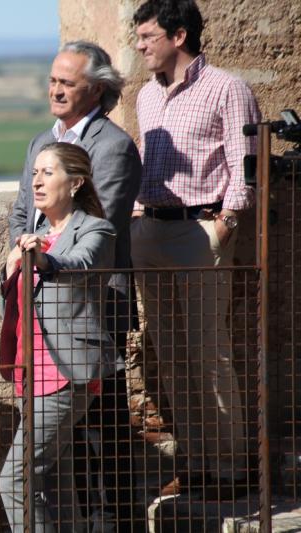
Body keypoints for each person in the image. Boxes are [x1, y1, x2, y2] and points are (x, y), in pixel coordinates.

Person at [9, 40, 142, 530]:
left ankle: (118, 519)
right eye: (52, 80)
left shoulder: (113, 146)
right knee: (63, 448)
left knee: (104, 427)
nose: (56, 89)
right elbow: (23, 213)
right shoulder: (40, 141)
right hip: (41, 304)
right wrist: (22, 251)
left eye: (67, 82)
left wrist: (40, 253)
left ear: (98, 88)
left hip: (96, 300)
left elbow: (93, 222)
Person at [131, 0, 260, 498]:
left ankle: (230, 469)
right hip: (152, 232)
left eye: (147, 37)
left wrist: (224, 225)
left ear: (178, 36)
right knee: (170, 353)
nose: (140, 46)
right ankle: (196, 463)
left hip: (198, 231)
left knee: (209, 352)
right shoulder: (146, 96)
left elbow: (246, 166)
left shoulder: (226, 88)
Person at [0, 142, 118, 532]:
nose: (36, 181)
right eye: (34, 173)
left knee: (15, 479)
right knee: (53, 482)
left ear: (76, 182)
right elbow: (17, 309)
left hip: (70, 372)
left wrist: (44, 259)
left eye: (48, 173)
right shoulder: (33, 234)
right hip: (31, 372)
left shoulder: (96, 230)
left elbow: (80, 264)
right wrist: (10, 272)